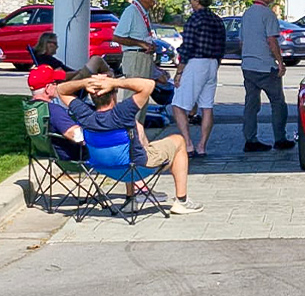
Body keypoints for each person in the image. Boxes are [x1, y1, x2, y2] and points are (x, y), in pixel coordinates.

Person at [52, 75, 203, 214]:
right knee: (178, 140)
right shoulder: (122, 113)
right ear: (113, 95)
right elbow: (148, 84)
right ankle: (182, 201)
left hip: (104, 168)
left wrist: (85, 83)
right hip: (137, 167)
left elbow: (61, 90)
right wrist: (115, 82)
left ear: (93, 97)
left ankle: (130, 199)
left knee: (128, 145)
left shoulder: (85, 115)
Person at [172, 0, 225, 158]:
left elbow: (187, 47)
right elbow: (222, 46)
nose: (190, 1)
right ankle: (202, 146)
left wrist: (179, 72)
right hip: (212, 63)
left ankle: (188, 144)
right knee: (207, 106)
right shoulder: (217, 20)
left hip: (196, 62)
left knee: (178, 105)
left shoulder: (194, 20)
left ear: (197, 0)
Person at [240, 0, 294, 152]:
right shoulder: (268, 15)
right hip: (265, 66)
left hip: (248, 66)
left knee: (251, 103)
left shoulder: (247, 14)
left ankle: (250, 139)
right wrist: (280, 62)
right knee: (278, 103)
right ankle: (280, 138)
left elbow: (241, 41)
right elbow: (272, 41)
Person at [112, 0, 158, 121]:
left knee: (143, 96)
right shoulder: (131, 11)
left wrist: (149, 44)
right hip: (135, 57)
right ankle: (129, 132)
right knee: (133, 96)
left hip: (144, 57)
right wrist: (141, 44)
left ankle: (138, 132)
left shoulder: (143, 13)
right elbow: (117, 37)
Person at [26, 65, 84, 160]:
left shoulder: (32, 108)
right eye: (55, 83)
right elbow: (77, 136)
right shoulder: (53, 110)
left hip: (47, 153)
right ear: (47, 88)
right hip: (72, 157)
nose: (58, 85)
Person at [31, 32, 111, 80]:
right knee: (96, 60)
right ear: (48, 44)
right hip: (70, 82)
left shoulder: (44, 58)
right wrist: (79, 72)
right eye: (55, 44)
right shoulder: (45, 59)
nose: (57, 46)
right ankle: (110, 74)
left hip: (73, 78)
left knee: (102, 70)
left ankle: (110, 74)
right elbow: (61, 76)